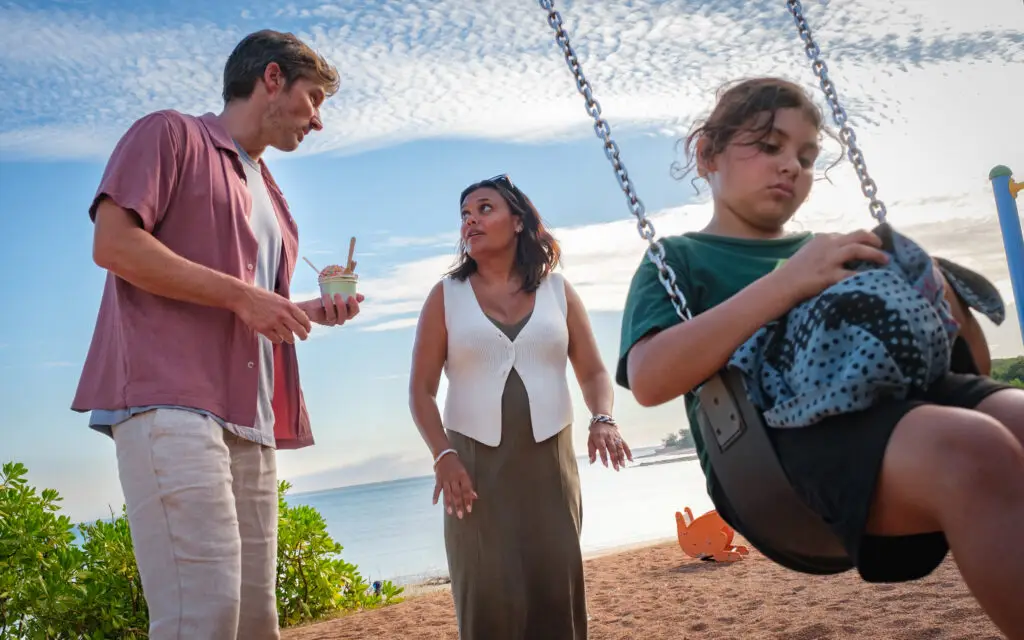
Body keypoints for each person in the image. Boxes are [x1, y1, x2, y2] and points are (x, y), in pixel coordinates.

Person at [616, 77, 1024, 639]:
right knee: (973, 448)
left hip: (901, 403)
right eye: (768, 145)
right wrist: (788, 283)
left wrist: (936, 294)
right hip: (779, 446)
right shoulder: (680, 260)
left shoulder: (833, 249)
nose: (791, 166)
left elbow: (968, 371)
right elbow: (649, 379)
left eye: (806, 158)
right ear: (707, 154)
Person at [70, 30, 364, 640]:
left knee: (256, 622)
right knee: (200, 617)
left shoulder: (275, 199)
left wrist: (302, 310)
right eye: (314, 98)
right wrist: (244, 297)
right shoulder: (169, 133)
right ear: (273, 78)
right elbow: (114, 244)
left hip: (251, 419)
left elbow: (246, 301)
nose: (318, 119)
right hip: (168, 402)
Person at [409, 174, 631, 639]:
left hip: (551, 472)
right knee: (487, 604)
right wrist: (443, 455)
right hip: (472, 476)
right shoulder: (445, 296)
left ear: (517, 221)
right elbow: (421, 391)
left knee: (557, 602)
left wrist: (603, 419)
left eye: (484, 208)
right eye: (464, 214)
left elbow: (593, 371)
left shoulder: (557, 291)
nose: (470, 220)